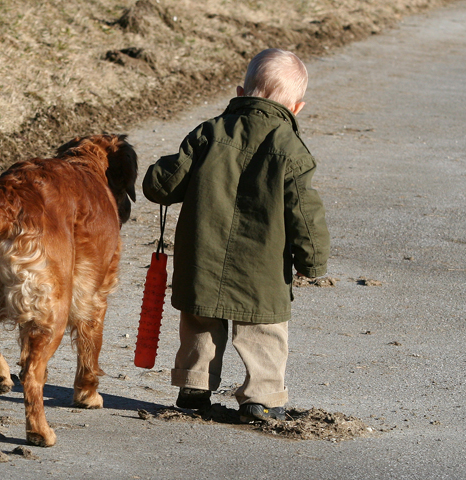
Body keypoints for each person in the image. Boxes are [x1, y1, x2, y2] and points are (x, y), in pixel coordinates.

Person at [141, 48, 330, 422]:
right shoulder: (292, 150)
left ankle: (194, 385)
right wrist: (313, 260)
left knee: (200, 319)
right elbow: (305, 214)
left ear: (242, 90)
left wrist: (156, 172)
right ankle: (260, 397)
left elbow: (163, 186)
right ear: (297, 107)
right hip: (263, 267)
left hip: (203, 256)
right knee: (264, 329)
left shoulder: (208, 132)